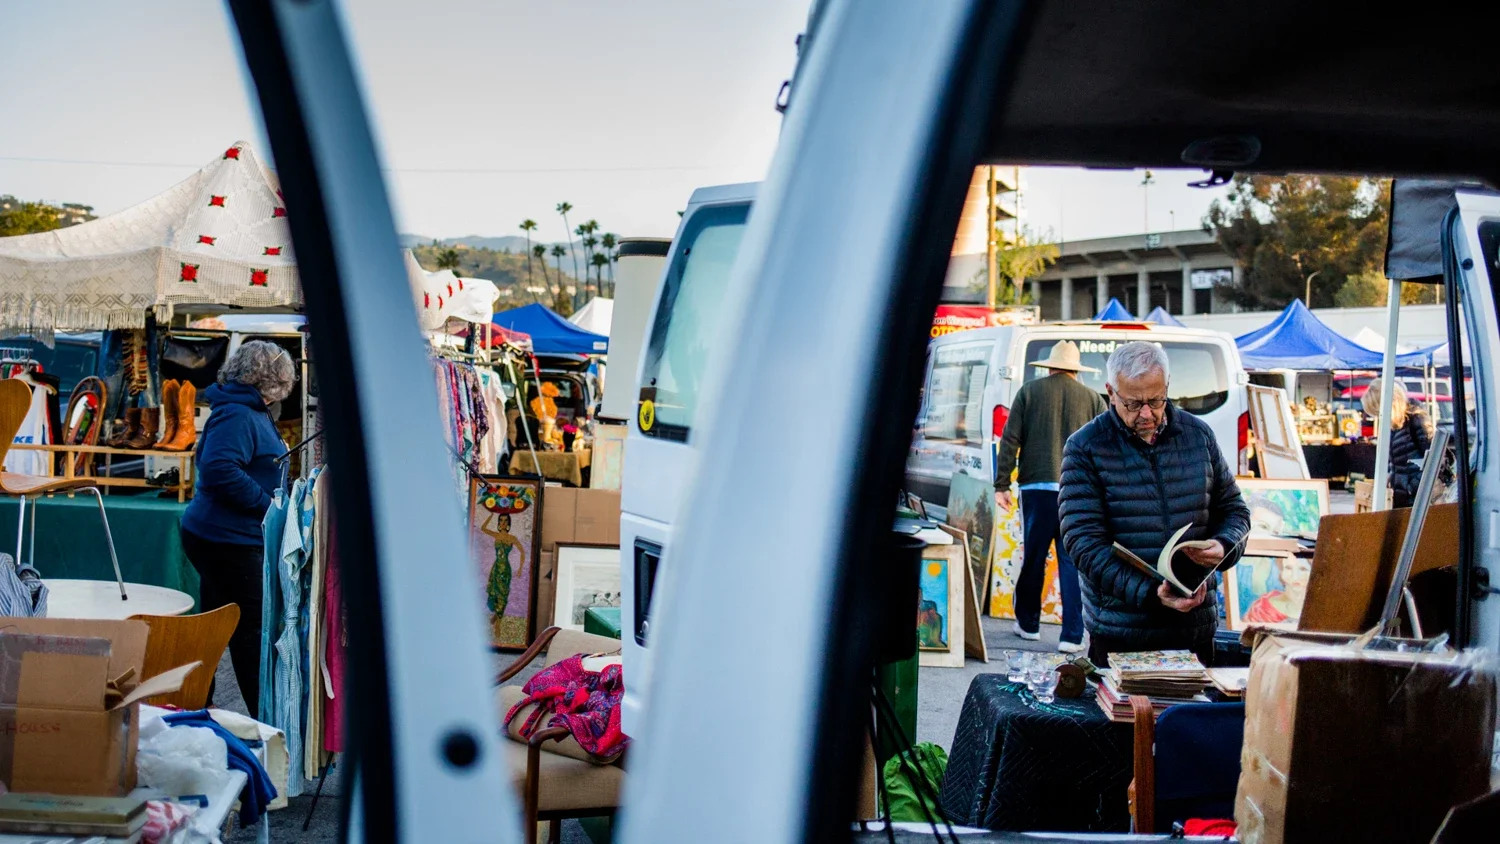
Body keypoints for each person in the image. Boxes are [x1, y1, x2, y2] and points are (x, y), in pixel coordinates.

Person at [1058, 341, 1250, 667]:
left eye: (1156, 400)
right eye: (1133, 403)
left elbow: (1235, 511)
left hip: (1195, 631)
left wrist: (1224, 545)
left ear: (1168, 386)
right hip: (1121, 632)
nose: (1147, 413)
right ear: (1111, 392)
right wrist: (1151, 594)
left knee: (1189, 717)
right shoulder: (1085, 447)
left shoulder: (1198, 435)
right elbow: (1083, 543)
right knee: (1124, 718)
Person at [179, 341, 294, 713]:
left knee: (215, 629)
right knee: (249, 635)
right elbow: (219, 469)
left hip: (220, 536)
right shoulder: (240, 415)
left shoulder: (247, 409)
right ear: (268, 381)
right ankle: (265, 724)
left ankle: (197, 706)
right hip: (227, 540)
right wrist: (268, 507)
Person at [992, 340, 1106, 653]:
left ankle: (1028, 625)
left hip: (1036, 491)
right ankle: (1071, 635)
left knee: (1034, 558)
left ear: (1051, 366)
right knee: (1071, 563)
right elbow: (1105, 449)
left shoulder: (1029, 392)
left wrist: (1002, 483)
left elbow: (1010, 440)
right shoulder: (1094, 399)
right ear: (1075, 370)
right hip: (1076, 493)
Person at [1361, 380, 1434, 508]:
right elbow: (1397, 462)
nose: (1379, 417)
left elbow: (1434, 459)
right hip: (1402, 495)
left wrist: (1413, 486)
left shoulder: (1416, 419)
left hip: (1417, 497)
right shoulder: (1394, 425)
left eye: (1378, 412)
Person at [1244, 555, 1313, 625]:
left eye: (1303, 569)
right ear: (1281, 572)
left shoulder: (1321, 608)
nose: (1295, 577)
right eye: (1288, 568)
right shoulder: (1262, 608)